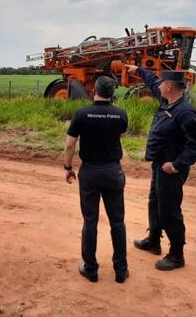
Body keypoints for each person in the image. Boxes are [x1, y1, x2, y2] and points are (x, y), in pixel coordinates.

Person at [126, 65, 196, 271]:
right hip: (159, 165)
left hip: (171, 169)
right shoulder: (167, 101)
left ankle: (177, 255)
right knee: (155, 202)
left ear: (169, 86)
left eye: (162, 83)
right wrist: (138, 70)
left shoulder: (186, 112)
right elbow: (153, 81)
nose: (158, 86)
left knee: (169, 209)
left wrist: (177, 165)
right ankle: (153, 240)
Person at [64, 76, 130, 284]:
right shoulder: (121, 115)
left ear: (94, 91)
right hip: (113, 172)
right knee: (117, 222)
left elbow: (69, 145)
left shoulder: (81, 114)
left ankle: (91, 269)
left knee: (90, 221)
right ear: (113, 94)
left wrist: (68, 167)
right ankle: (121, 270)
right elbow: (117, 136)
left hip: (90, 172)